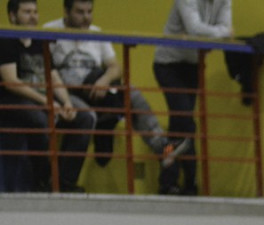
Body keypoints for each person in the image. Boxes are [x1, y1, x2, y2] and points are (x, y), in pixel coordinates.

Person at [44, 0, 189, 169]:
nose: (86, 17)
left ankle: (162, 147)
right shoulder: (50, 31)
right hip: (67, 94)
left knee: (132, 93)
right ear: (66, 11)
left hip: (97, 89)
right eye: (80, 12)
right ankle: (63, 178)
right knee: (87, 115)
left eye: (89, 12)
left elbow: (115, 67)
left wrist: (104, 81)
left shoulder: (97, 33)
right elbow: (46, 71)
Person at [0, 0, 94, 192]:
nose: (33, 16)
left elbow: (53, 75)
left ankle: (64, 181)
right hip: (13, 98)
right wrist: (47, 102)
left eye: (35, 11)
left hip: (43, 96)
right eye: (27, 12)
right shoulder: (5, 40)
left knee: (86, 116)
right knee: (40, 119)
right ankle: (43, 180)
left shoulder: (39, 41)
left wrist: (66, 102)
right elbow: (11, 81)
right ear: (12, 16)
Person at [152, 0, 232, 195]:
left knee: (180, 125)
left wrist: (218, 32)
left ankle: (175, 183)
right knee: (185, 121)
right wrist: (220, 33)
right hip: (168, 64)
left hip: (192, 66)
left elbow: (226, 27)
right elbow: (195, 29)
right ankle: (183, 182)